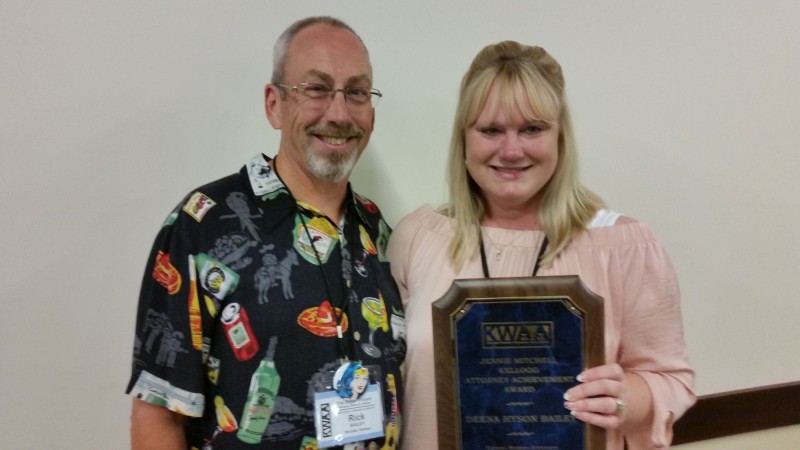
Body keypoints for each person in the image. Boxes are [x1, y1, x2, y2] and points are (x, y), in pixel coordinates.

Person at [386, 41, 695, 449]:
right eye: (491, 130)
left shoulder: (622, 247)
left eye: (532, 129)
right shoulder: (418, 239)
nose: (511, 150)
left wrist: (626, 398)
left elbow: (671, 380)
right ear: (464, 139)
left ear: (560, 136)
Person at [127, 16, 406, 450]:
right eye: (316, 89)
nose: (339, 113)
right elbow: (159, 414)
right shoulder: (202, 225)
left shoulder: (379, 231)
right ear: (274, 104)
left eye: (356, 92)